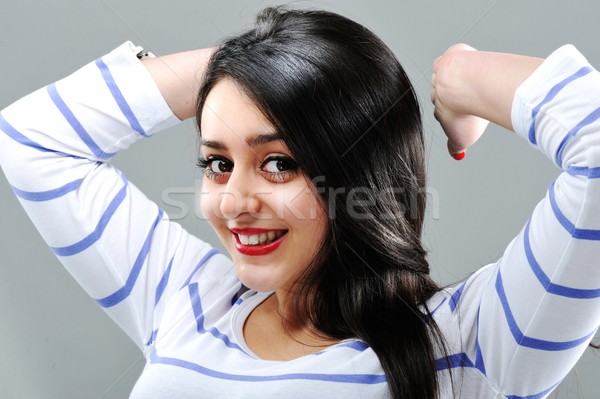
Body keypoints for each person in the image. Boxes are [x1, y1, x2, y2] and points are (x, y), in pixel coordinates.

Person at [1, 6, 599, 398]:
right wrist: (247, 65)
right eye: (217, 162)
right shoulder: (186, 300)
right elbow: (29, 141)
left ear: (361, 175)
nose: (233, 201)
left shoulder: (472, 344)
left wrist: (461, 77)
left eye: (279, 163)